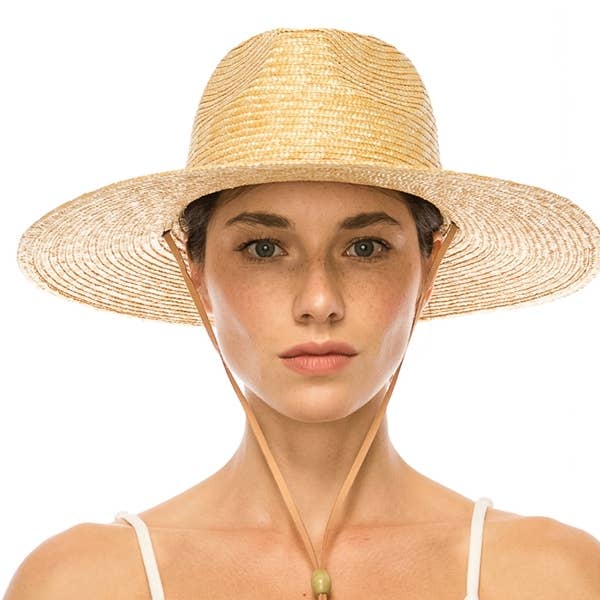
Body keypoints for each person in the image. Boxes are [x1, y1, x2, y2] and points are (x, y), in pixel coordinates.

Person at [7, 27, 600, 600]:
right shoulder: (84, 583)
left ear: (429, 266)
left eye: (364, 248)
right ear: (195, 272)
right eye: (265, 249)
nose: (319, 303)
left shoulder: (551, 578)